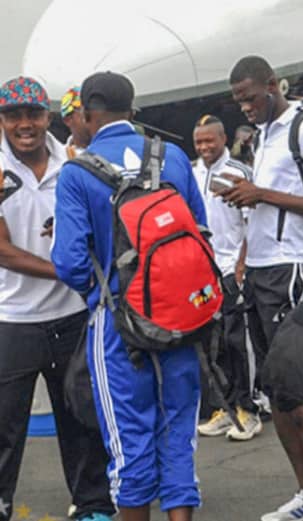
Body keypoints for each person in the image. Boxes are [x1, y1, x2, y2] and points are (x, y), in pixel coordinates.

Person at [52, 71, 204, 521]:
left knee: (128, 441)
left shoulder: (77, 173)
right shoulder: (173, 156)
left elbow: (70, 262)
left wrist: (106, 292)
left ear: (88, 113)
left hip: (118, 324)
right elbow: (200, 231)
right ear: (133, 112)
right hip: (179, 318)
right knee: (178, 436)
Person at [226, 55, 303, 521]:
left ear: (273, 85)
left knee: (296, 391)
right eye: (239, 102)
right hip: (261, 268)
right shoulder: (263, 136)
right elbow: (267, 205)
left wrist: (262, 193)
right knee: (276, 391)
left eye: (251, 98)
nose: (245, 108)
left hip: (294, 267)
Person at [0, 76, 114, 521]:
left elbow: (98, 230)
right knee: (5, 428)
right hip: (14, 318)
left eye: (33, 113)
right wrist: (65, 267)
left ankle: (92, 506)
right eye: (14, 116)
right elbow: (2, 249)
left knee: (81, 417)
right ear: (3, 121)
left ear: (48, 116)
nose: (25, 124)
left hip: (73, 314)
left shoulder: (76, 163)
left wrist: (73, 241)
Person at [190, 114, 262, 441]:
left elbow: (254, 223)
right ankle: (224, 408)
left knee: (237, 342)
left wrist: (242, 265)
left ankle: (249, 410)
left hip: (233, 270)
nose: (205, 147)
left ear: (223, 139)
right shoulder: (191, 173)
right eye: (199, 142)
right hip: (202, 273)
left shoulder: (240, 173)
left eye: (210, 140)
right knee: (211, 342)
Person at [59, 86, 91, 159]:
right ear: (68, 120)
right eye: (84, 111)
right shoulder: (60, 157)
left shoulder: (109, 150)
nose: (92, 115)